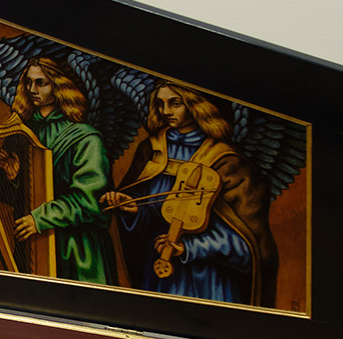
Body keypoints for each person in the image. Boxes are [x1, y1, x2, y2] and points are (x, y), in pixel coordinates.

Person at [100, 80, 279, 306]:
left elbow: (246, 244)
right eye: (160, 104)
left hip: (208, 279)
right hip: (158, 270)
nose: (165, 112)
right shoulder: (152, 149)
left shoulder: (226, 161)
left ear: (197, 105)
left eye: (175, 103)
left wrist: (189, 248)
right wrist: (135, 208)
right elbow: (151, 215)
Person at [0, 56, 115, 284]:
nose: (32, 89)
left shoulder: (86, 137)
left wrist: (41, 218)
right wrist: (11, 177)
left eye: (41, 83)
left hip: (77, 251)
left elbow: (91, 201)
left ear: (59, 86)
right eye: (28, 82)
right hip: (33, 247)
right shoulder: (21, 132)